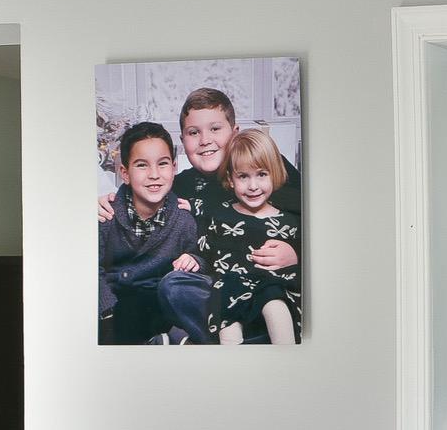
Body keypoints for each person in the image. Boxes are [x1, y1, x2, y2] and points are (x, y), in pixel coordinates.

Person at [96, 87, 301, 273]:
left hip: (267, 277)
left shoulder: (265, 170)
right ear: (183, 141)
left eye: (215, 129)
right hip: (209, 280)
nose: (205, 141)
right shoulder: (179, 185)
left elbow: (310, 219)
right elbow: (140, 200)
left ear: (234, 133)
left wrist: (297, 254)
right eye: (194, 133)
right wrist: (107, 202)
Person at [99, 121, 210, 344]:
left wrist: (194, 260)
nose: (154, 174)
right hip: (116, 309)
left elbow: (201, 260)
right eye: (142, 165)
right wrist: (107, 309)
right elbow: (92, 268)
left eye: (163, 164)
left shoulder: (184, 220)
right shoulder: (107, 217)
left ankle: (171, 339)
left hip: (160, 307)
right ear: (125, 173)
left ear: (174, 168)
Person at [194, 127, 302, 344]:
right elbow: (204, 252)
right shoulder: (219, 215)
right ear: (231, 179)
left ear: (274, 174)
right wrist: (192, 257)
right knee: (225, 312)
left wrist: (296, 258)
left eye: (262, 175)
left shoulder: (289, 221)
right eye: (243, 176)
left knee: (274, 303)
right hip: (230, 292)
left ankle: (287, 357)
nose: (253, 186)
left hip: (274, 292)